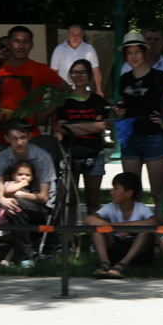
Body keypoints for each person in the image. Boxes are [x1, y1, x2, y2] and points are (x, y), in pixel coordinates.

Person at [0, 25, 68, 183]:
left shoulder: (40, 69)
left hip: (28, 141)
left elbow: (66, 90)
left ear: (31, 45)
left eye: (25, 42)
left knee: (28, 189)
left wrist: (46, 111)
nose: (21, 46)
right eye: (16, 41)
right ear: (9, 43)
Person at [115, 32, 163, 219]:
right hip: (130, 139)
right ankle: (135, 233)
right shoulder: (124, 79)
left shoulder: (159, 76)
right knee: (131, 191)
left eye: (137, 51)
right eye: (129, 52)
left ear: (144, 52)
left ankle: (160, 235)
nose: (133, 56)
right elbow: (124, 105)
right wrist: (121, 112)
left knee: (158, 192)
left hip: (153, 138)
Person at [0, 120, 57, 267]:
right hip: (10, 198)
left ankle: (24, 256)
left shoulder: (43, 157)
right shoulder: (3, 156)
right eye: (14, 138)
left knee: (16, 203)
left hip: (39, 205)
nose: (19, 142)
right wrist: (1, 199)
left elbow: (44, 197)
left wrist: (18, 195)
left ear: (30, 136)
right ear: (6, 139)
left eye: (23, 137)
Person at [53, 59, 107, 220]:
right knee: (71, 199)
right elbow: (61, 127)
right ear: (70, 76)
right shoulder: (65, 100)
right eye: (74, 72)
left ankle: (94, 241)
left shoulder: (97, 100)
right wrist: (89, 125)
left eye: (82, 72)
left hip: (94, 152)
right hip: (70, 152)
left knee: (93, 200)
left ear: (90, 75)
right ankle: (69, 241)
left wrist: (73, 127)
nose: (78, 76)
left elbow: (101, 126)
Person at [86, 171, 157, 279]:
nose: (111, 192)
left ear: (128, 193)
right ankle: (105, 263)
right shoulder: (111, 207)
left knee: (145, 231)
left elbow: (154, 222)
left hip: (138, 253)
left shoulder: (141, 208)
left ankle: (122, 265)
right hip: (116, 248)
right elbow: (89, 219)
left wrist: (124, 226)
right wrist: (113, 227)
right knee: (98, 229)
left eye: (116, 188)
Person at [0, 160, 45, 267]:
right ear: (13, 175)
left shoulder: (28, 190)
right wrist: (22, 184)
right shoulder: (11, 183)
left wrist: (31, 194)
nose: (23, 177)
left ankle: (6, 261)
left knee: (18, 242)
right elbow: (7, 191)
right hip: (0, 217)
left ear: (32, 177)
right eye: (20, 174)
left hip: (12, 219)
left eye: (27, 175)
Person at [50, 25, 104, 96]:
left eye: (78, 34)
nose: (75, 36)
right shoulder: (59, 49)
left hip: (83, 89)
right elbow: (54, 72)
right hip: (63, 89)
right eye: (73, 34)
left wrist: (99, 89)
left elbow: (95, 70)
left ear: (82, 35)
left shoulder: (89, 49)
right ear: (68, 34)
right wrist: (54, 91)